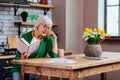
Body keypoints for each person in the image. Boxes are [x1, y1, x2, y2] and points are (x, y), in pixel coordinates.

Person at [11, 15, 58, 80]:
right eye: (44, 27)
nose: (47, 30)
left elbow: (54, 55)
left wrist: (55, 39)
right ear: (37, 26)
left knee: (35, 76)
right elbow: (18, 58)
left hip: (35, 69)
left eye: (49, 28)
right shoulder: (25, 37)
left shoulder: (48, 39)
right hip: (19, 68)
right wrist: (23, 57)